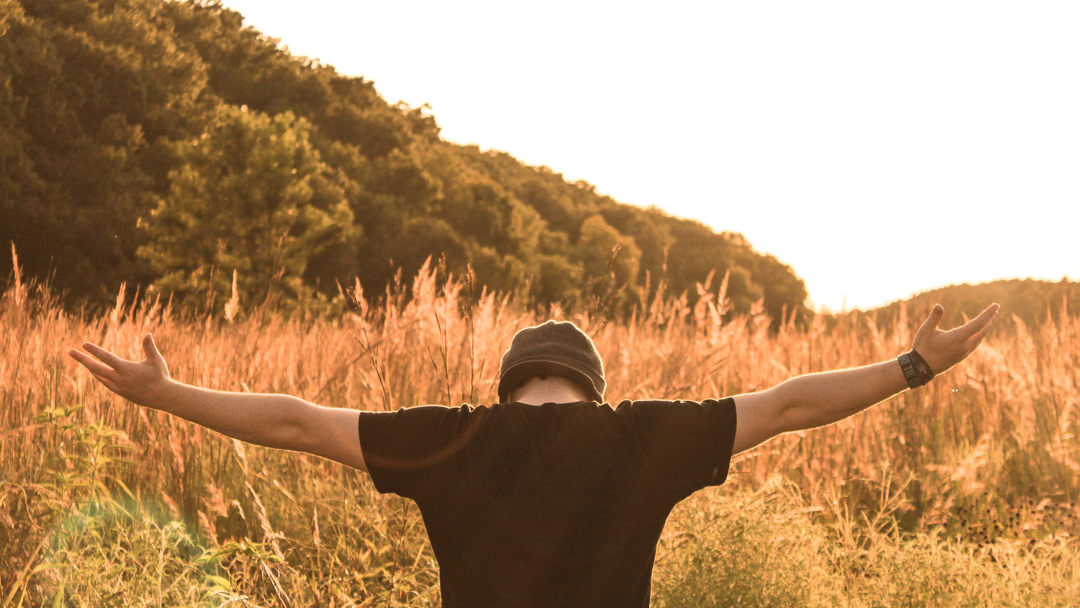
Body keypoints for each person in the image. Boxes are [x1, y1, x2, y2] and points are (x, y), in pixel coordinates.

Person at [69, 302, 999, 607]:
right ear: (590, 385)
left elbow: (298, 421)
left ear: (509, 383)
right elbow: (794, 402)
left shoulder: (451, 438)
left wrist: (165, 393)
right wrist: (914, 364)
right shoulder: (642, 436)